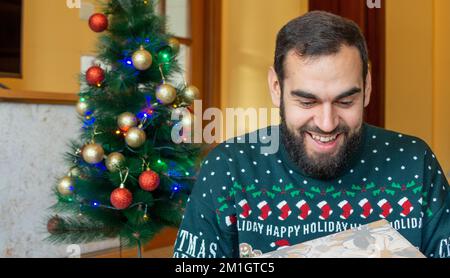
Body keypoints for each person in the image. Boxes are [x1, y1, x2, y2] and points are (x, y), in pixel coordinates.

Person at [172, 11, 450, 258]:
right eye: (307, 102)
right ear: (275, 88)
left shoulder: (415, 161)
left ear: (366, 86)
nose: (327, 124)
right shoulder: (228, 167)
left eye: (345, 101)